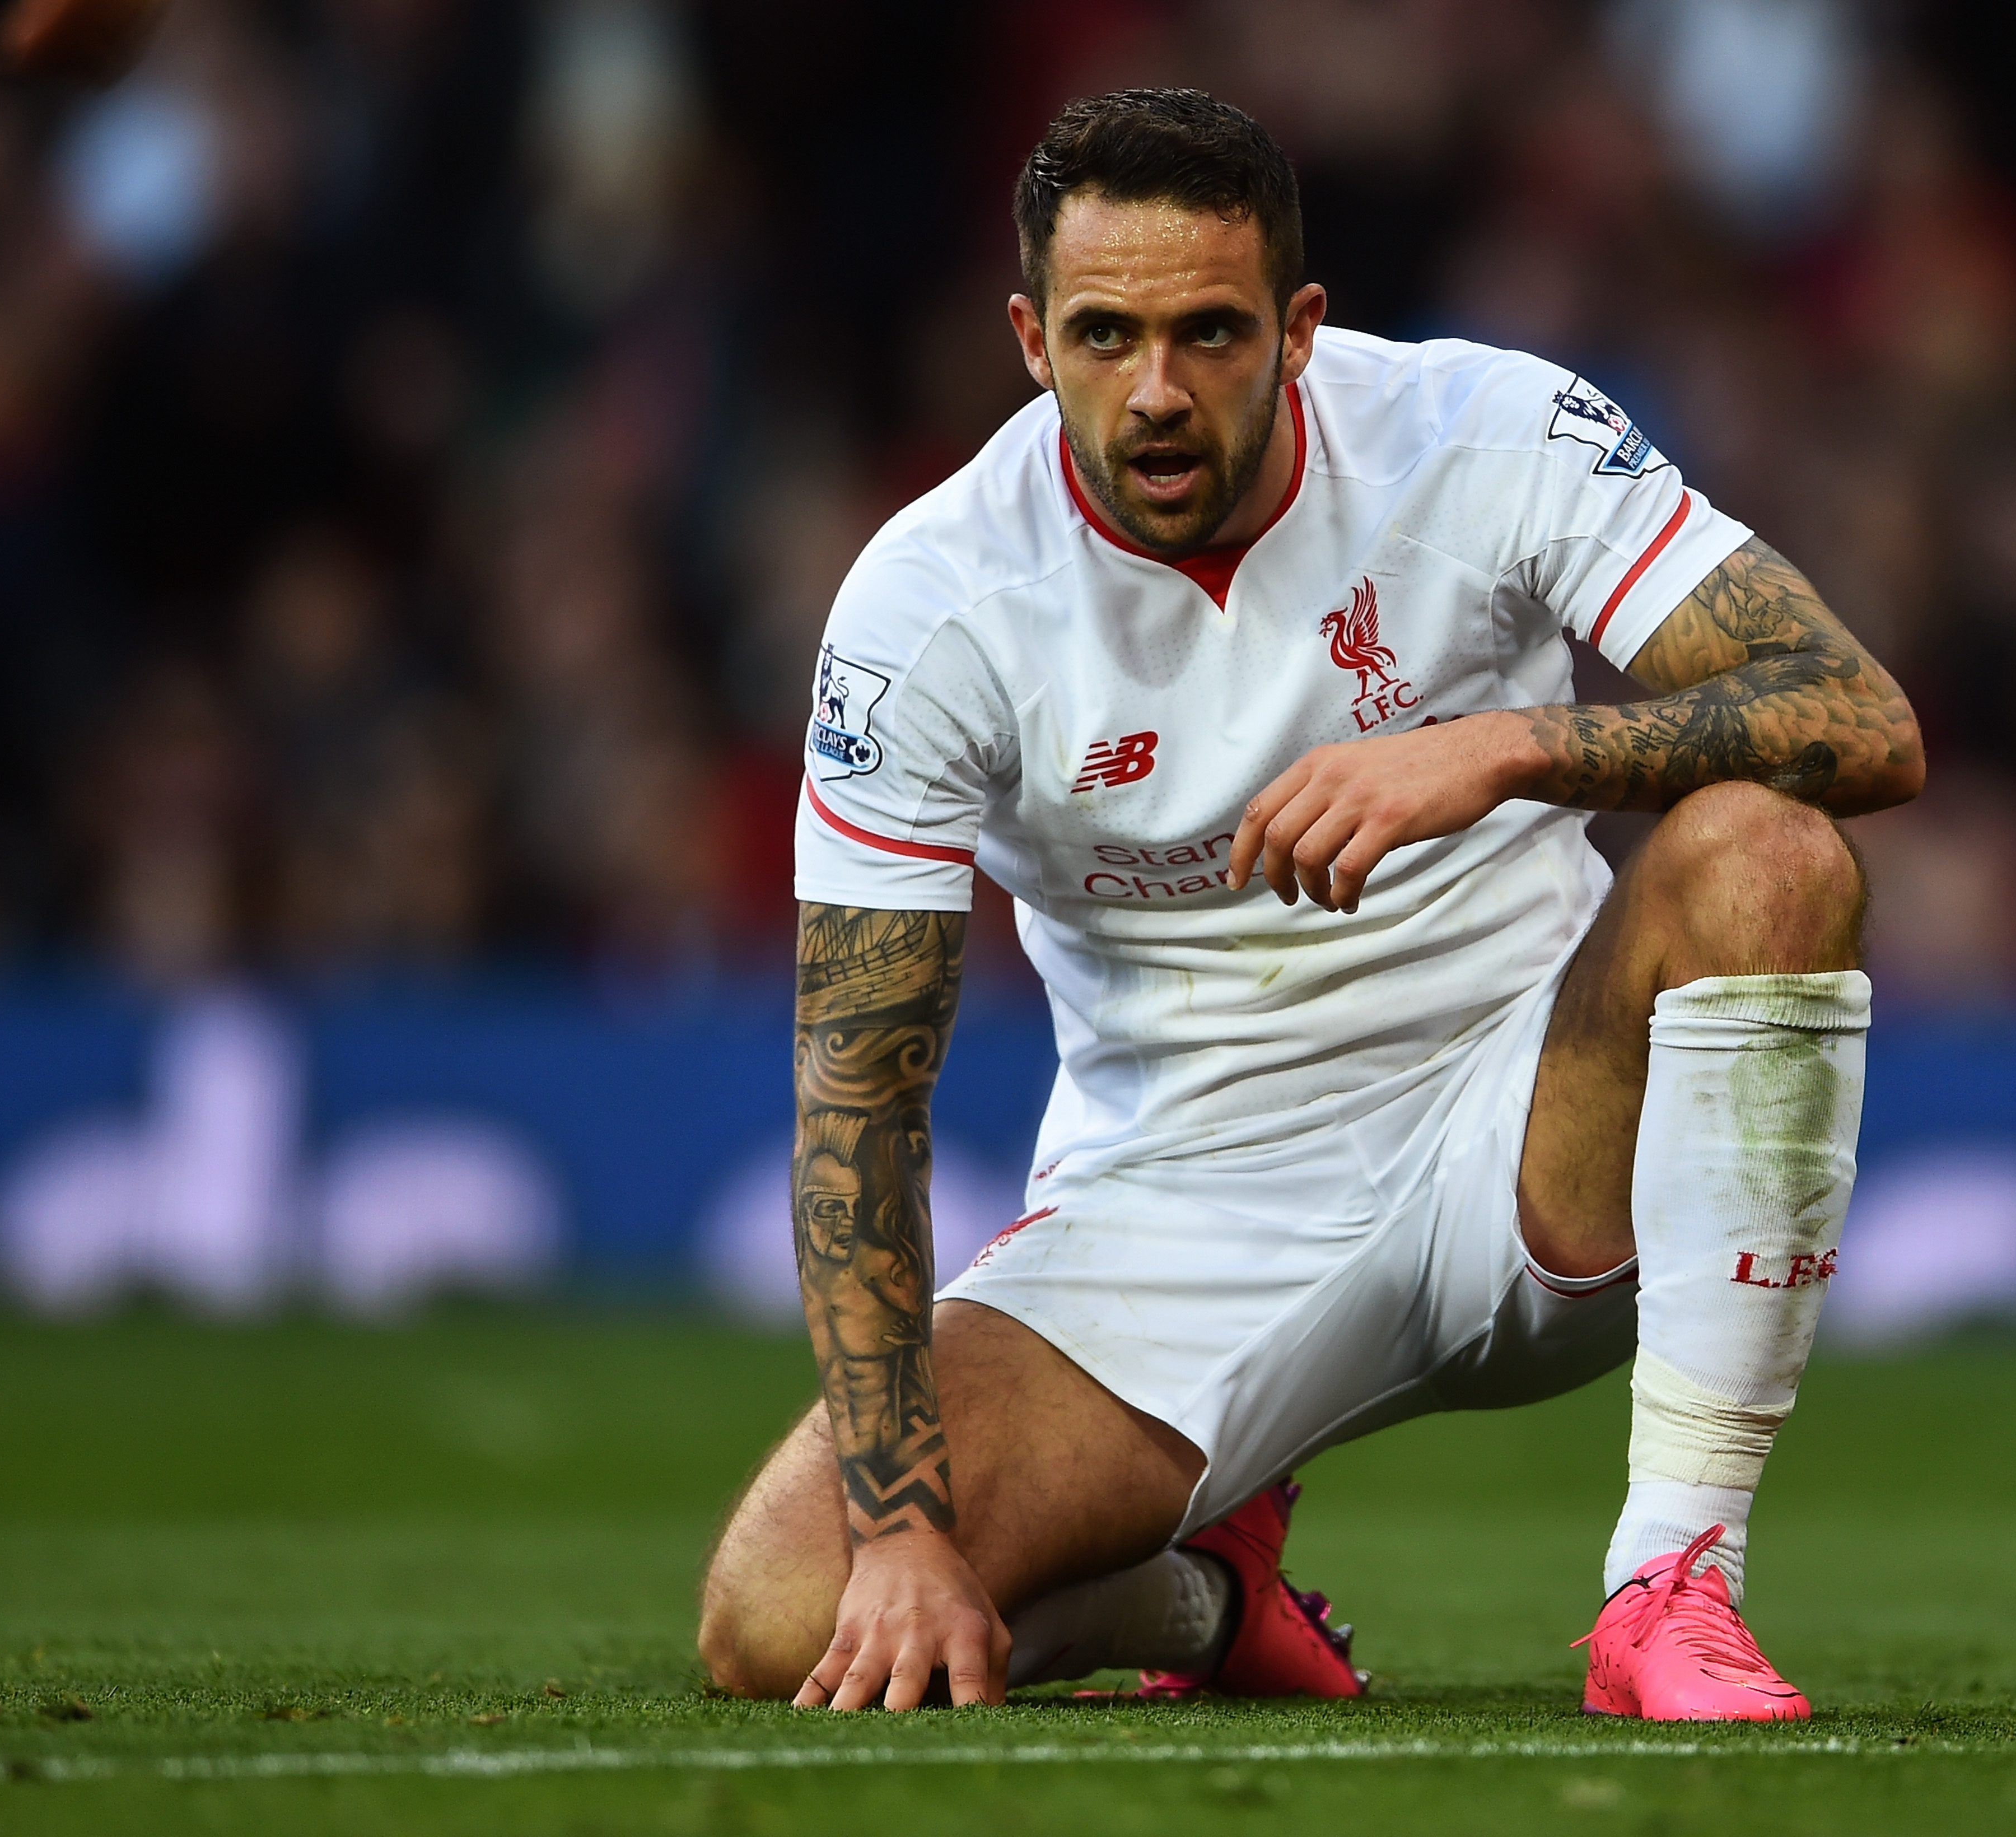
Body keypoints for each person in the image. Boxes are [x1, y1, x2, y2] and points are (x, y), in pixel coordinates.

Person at [698, 88, 1921, 1723]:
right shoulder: (930, 606)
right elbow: (857, 1094)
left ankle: (1672, 1585)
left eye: (1209, 332)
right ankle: (1206, 1601)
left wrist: (1501, 750)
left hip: (1539, 1134)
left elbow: (1862, 720)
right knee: (785, 1617)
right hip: (1182, 1202)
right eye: (1104, 335)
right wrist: (910, 1536)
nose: (1155, 389)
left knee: (1770, 856)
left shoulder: (1486, 434)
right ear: (1030, 340)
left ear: (1298, 329)